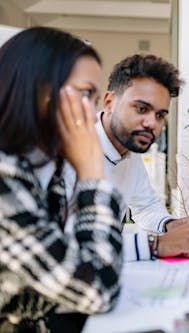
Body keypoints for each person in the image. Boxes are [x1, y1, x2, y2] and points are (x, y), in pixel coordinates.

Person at [0, 27, 124, 332]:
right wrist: (93, 175)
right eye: (84, 93)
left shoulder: (40, 169)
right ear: (36, 89)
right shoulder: (4, 176)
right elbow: (96, 289)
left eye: (93, 99)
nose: (92, 115)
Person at [65, 54, 189, 262]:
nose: (152, 123)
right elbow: (63, 244)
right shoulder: (65, 152)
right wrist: (154, 245)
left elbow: (145, 206)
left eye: (160, 115)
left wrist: (169, 224)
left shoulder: (130, 150)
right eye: (141, 109)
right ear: (109, 103)